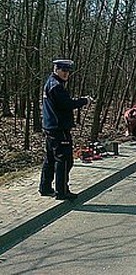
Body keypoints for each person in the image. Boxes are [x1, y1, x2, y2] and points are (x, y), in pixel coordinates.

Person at [39, 59, 91, 200]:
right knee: (65, 160)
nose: (66, 74)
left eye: (68, 71)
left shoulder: (51, 83)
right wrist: (84, 101)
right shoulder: (56, 86)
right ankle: (62, 191)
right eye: (63, 70)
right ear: (56, 69)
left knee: (50, 158)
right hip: (59, 128)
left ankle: (45, 187)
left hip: (51, 126)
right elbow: (66, 104)